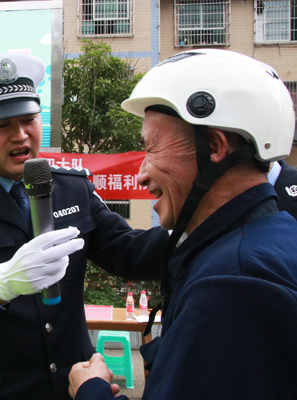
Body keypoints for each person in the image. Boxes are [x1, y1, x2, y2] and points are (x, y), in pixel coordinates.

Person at [0, 52, 169, 399]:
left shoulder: (72, 186)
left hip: (75, 384)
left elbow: (127, 252)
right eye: (1, 125)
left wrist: (198, 230)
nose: (20, 135)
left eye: (29, 120)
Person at [69, 49, 297, 399]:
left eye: (152, 147)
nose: (142, 174)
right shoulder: (271, 238)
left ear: (215, 146)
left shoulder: (233, 284)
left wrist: (92, 390)